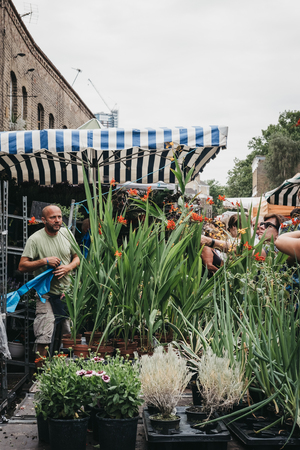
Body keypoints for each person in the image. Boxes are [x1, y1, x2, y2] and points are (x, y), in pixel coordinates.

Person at [18, 205, 80, 358]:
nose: (57, 220)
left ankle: (67, 371)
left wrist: (68, 268)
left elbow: (77, 257)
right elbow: (22, 266)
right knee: (43, 337)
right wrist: (44, 261)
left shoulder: (67, 234)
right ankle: (41, 374)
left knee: (69, 335)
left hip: (67, 294)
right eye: (53, 217)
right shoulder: (35, 239)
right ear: (43, 220)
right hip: (44, 295)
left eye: (59, 217)